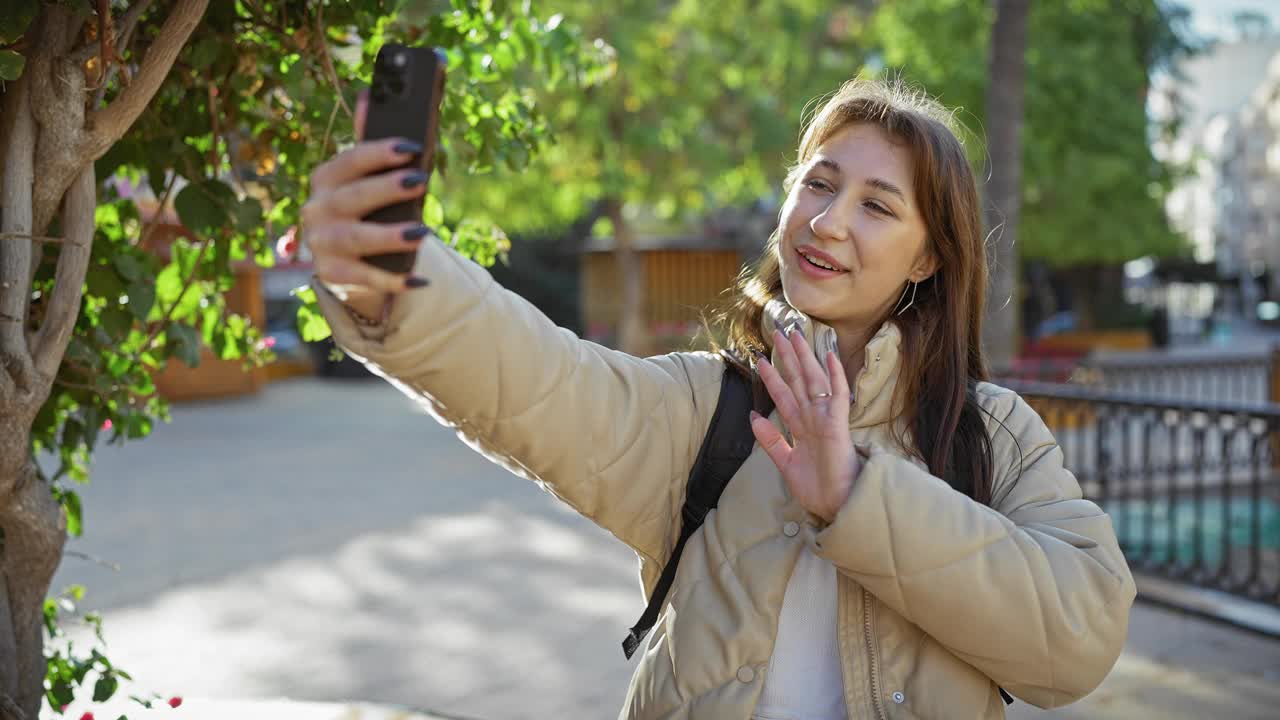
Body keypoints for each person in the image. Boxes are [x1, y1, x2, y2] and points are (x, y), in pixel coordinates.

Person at [301, 78, 1135, 720]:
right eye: (818, 185)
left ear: (927, 260)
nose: (828, 221)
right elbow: (539, 380)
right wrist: (397, 282)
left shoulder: (992, 433)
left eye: (877, 206)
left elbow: (1078, 642)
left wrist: (853, 493)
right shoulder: (708, 409)